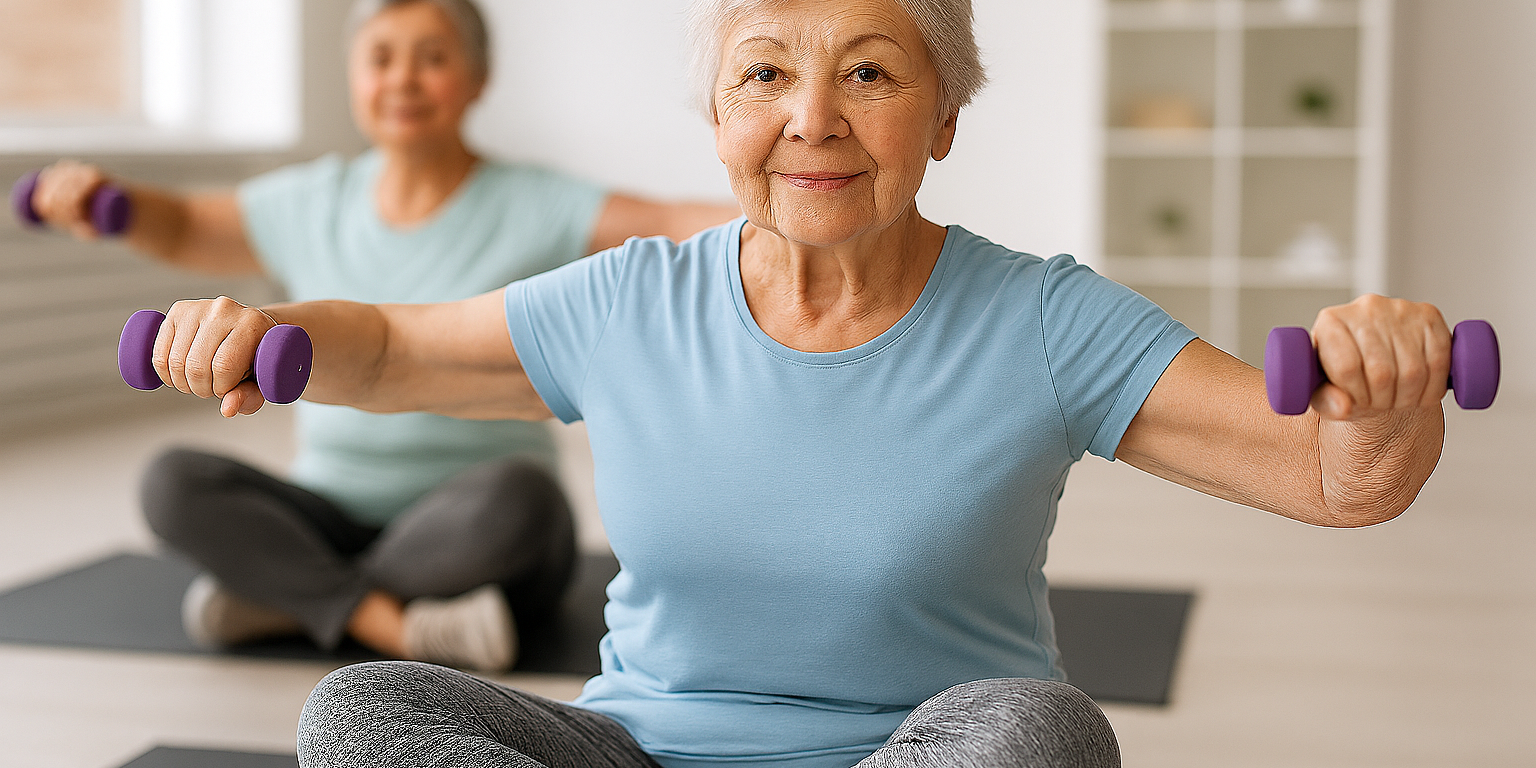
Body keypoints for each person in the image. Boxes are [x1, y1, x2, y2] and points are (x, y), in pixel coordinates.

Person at [138, 0, 1452, 765]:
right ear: (719, 122)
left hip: (914, 751)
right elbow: (389, 346)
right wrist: (265, 325)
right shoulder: (631, 298)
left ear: (942, 120)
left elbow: (1333, 478)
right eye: (765, 73)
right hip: (641, 752)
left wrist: (1384, 405)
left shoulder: (1042, 317)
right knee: (363, 711)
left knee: (1041, 731)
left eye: (869, 72)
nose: (812, 118)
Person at [29, 0, 738, 673]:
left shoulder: (537, 201)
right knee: (173, 481)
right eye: (382, 58)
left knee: (529, 503)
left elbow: (672, 222)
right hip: (329, 512)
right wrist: (101, 203)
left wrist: (799, 209)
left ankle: (286, 599)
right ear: (355, 76)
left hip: (470, 519)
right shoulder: (312, 200)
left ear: (476, 79)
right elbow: (184, 224)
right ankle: (394, 624)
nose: (403, 78)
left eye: (431, 57)